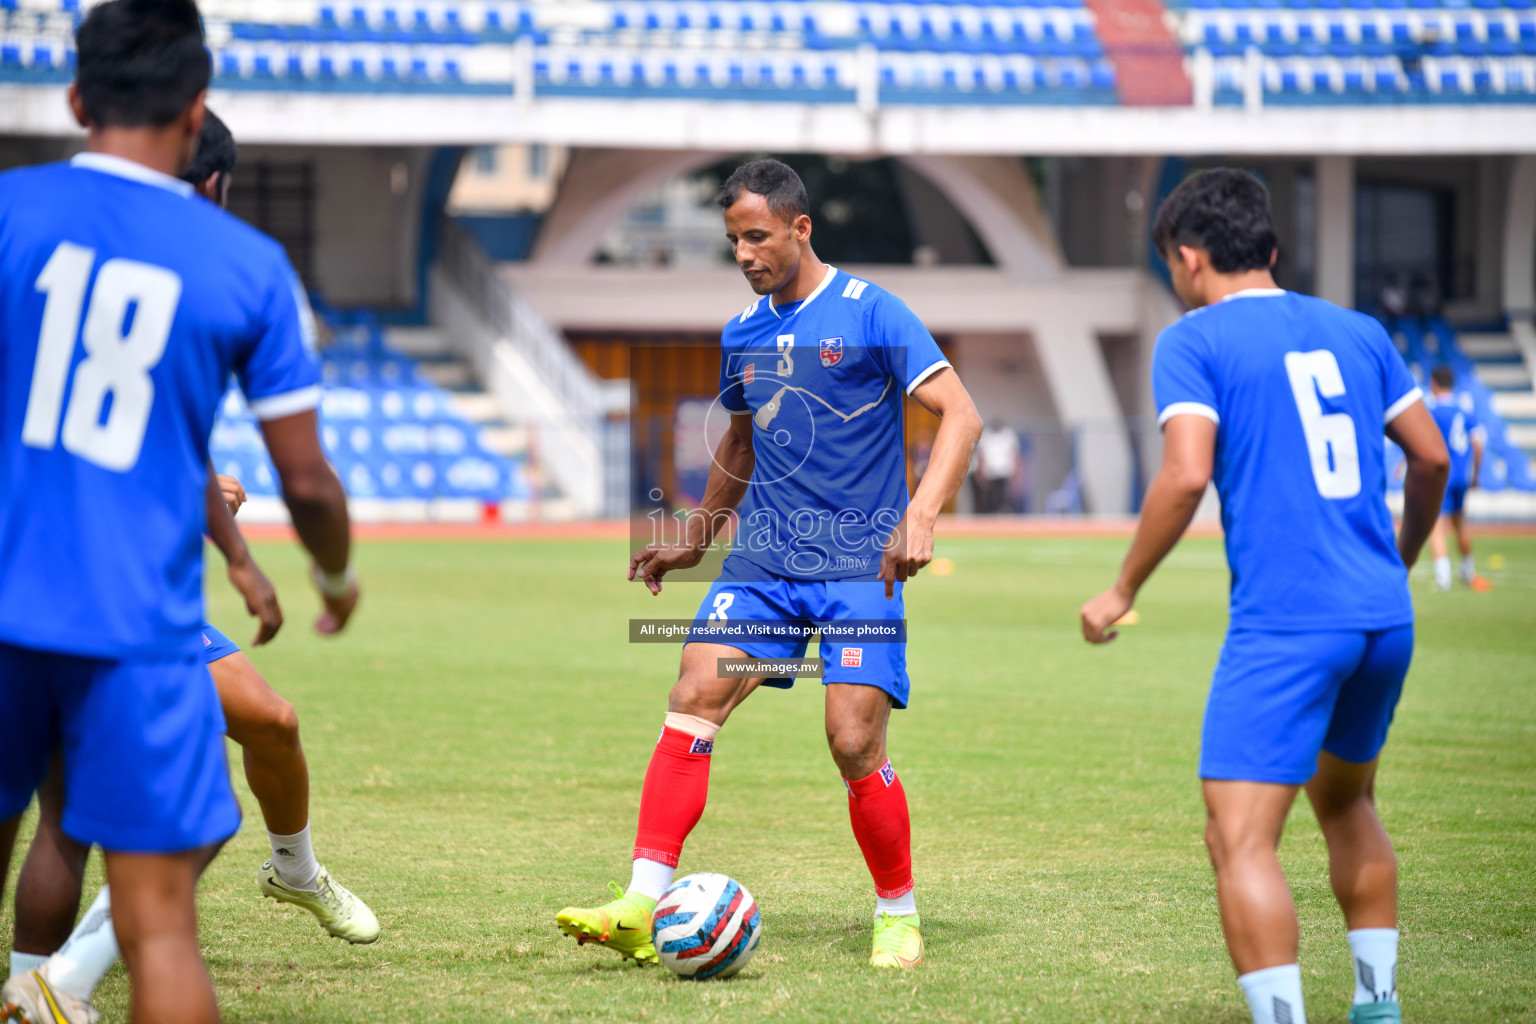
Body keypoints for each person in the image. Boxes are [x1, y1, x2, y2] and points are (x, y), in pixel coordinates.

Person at [0, 2, 360, 1022]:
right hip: (131, 625)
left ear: (74, 99)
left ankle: (30, 992)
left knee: (50, 837)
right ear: (195, 107)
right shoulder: (242, 265)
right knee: (158, 921)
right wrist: (328, 577)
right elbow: (313, 484)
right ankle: (48, 989)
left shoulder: (10, 212)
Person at [555, 158, 981, 970]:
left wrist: (921, 515)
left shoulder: (871, 313)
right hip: (762, 565)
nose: (746, 253)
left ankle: (898, 913)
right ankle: (642, 904)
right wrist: (693, 537)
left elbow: (961, 413)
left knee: (853, 740)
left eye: (758, 236)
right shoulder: (743, 331)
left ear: (800, 228)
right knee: (693, 694)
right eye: (733, 241)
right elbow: (742, 443)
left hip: (859, 567)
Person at [1080, 169, 1449, 1024]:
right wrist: (1399, 561)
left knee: (1239, 838)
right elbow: (1431, 458)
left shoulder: (1194, 338)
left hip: (1289, 622)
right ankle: (1377, 1006)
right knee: (1349, 802)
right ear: (1273, 250)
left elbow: (1186, 474)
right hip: (1382, 618)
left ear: (1187, 256)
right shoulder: (1358, 331)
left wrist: (1122, 587)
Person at [1424, 365, 1491, 592]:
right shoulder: (1465, 411)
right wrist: (1476, 474)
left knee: (1437, 526)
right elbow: (1478, 444)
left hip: (1441, 475)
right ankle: (1467, 571)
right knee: (1460, 522)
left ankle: (1444, 579)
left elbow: (1421, 442)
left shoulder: (1432, 411)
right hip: (1462, 476)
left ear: (1433, 384)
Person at [972, 420, 1020, 514]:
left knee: (1002, 498)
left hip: (1004, 472)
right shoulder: (986, 435)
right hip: (990, 473)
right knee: (989, 498)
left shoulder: (1008, 435)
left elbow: (1015, 455)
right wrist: (981, 471)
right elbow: (982, 455)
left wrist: (1016, 473)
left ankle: (999, 516)